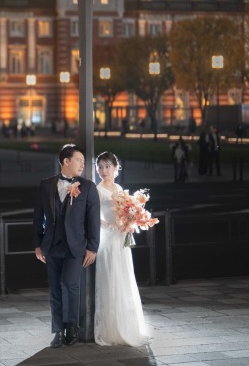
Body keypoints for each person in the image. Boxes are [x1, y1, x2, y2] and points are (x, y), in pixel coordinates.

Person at [33, 144, 100, 349]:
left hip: (76, 247)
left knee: (69, 284)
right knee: (55, 288)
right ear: (66, 161)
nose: (82, 164)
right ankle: (57, 331)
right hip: (51, 245)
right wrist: (37, 244)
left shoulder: (88, 187)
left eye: (83, 161)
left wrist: (92, 247)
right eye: (79, 160)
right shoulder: (46, 185)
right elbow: (38, 217)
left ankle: (71, 327)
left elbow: (93, 220)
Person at [94, 151, 151, 347]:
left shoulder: (119, 188)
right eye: (100, 167)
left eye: (107, 166)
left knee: (124, 277)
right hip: (108, 238)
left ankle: (127, 326)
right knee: (110, 279)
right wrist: (107, 225)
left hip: (121, 237)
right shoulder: (98, 190)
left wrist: (130, 222)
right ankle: (111, 329)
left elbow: (126, 211)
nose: (103, 170)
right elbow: (93, 215)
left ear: (116, 168)